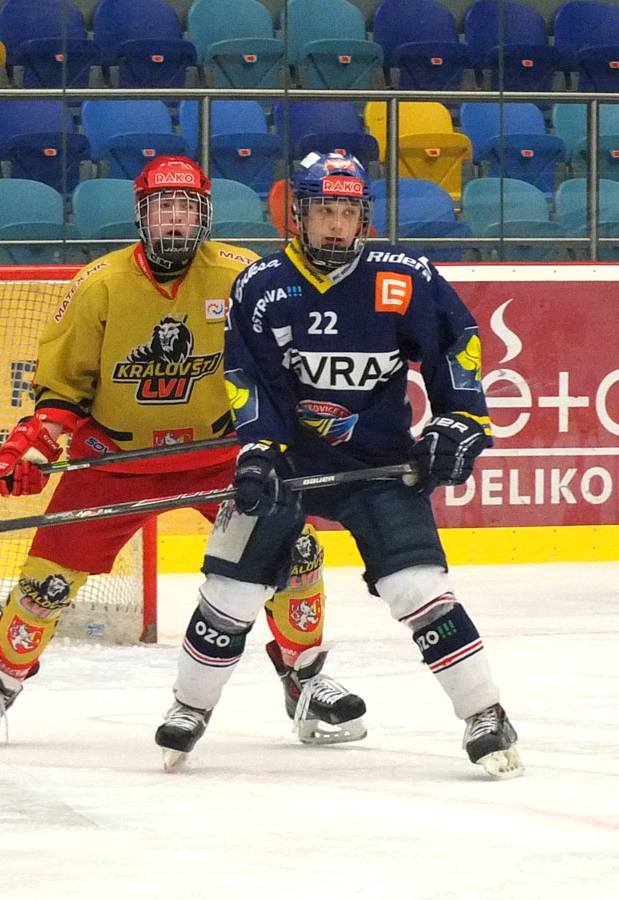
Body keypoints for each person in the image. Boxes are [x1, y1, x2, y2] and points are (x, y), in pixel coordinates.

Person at [0, 156, 366, 746]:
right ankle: (1, 681)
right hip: (115, 460)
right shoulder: (99, 284)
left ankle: (305, 678)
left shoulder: (242, 275)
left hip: (223, 456)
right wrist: (36, 442)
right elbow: (62, 388)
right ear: (142, 215)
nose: (174, 218)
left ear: (204, 215)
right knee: (47, 582)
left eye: (185, 207)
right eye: (163, 207)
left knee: (296, 553)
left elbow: (281, 364)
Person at [153, 151, 523, 778]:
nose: (335, 224)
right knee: (230, 591)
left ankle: (485, 714)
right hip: (288, 466)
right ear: (298, 214)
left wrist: (462, 420)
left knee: (418, 589)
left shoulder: (403, 277)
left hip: (377, 467)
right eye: (324, 209)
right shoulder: (262, 285)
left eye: (347, 211)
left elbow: (456, 344)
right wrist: (258, 449)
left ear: (363, 217)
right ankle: (190, 705)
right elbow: (248, 378)